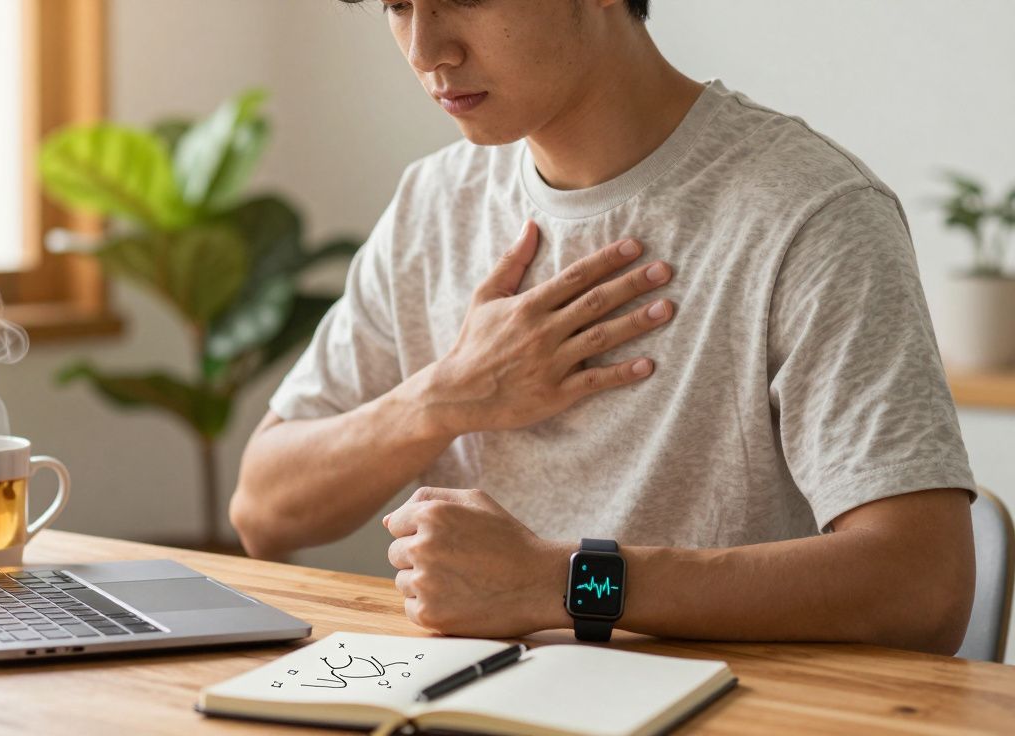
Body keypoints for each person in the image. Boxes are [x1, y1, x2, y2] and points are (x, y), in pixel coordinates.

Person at [229, 0, 977, 655]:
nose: (427, 51)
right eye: (397, 4)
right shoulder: (435, 201)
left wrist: (564, 583)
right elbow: (264, 510)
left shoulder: (811, 215)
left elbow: (923, 589)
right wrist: (444, 398)